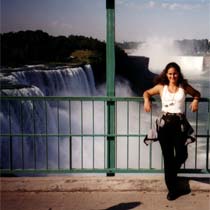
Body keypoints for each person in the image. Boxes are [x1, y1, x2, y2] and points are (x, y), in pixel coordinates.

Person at [143, 62, 201, 201]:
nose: (172, 76)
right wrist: (146, 100)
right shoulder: (161, 87)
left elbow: (196, 93)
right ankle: (172, 190)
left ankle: (170, 174)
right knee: (168, 158)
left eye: (174, 73)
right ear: (166, 74)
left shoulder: (183, 87)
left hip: (179, 125)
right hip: (165, 125)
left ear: (178, 74)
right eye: (170, 73)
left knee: (181, 154)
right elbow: (147, 92)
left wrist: (196, 100)